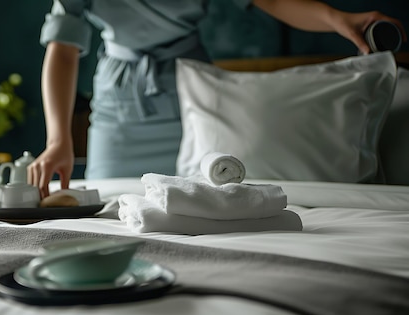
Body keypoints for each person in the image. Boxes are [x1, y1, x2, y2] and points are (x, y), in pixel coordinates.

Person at [28, 0, 407, 197]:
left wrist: (336, 18)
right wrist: (58, 140)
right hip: (120, 103)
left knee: (202, 209)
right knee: (112, 212)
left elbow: (271, 1)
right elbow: (62, 49)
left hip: (194, 94)